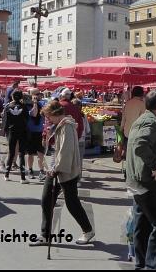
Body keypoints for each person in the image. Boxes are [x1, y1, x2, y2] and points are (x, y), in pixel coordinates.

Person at [29, 100, 94, 247]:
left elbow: (66, 151)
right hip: (55, 169)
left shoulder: (67, 127)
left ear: (55, 114)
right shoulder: (59, 126)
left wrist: (56, 167)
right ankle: (45, 234)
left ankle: (88, 230)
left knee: (72, 203)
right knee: (46, 200)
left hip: (64, 170)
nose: (47, 119)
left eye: (48, 116)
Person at [125, 88, 156, 270]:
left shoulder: (146, 119)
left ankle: (142, 265)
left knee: (143, 226)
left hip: (139, 183)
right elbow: (140, 144)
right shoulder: (151, 122)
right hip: (149, 184)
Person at [2, 89, 30, 183]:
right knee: (21, 154)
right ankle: (22, 177)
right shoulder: (24, 106)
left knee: (12, 152)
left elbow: (5, 119)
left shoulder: (8, 106)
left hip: (11, 131)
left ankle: (6, 174)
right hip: (22, 131)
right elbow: (27, 118)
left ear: (12, 97)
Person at [25, 87, 46, 180]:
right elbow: (34, 114)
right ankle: (30, 169)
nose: (39, 96)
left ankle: (41, 171)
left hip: (40, 132)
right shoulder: (28, 105)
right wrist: (34, 103)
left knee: (41, 153)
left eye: (39, 94)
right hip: (31, 132)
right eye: (37, 94)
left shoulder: (42, 104)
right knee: (30, 153)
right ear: (31, 96)